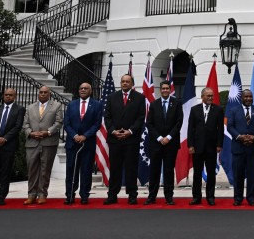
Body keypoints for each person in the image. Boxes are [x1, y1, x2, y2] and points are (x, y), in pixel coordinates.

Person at [103, 74, 146, 204]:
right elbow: (107, 117)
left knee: (131, 168)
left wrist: (130, 131)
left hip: (131, 139)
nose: (125, 83)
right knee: (115, 168)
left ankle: (132, 195)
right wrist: (113, 131)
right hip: (115, 139)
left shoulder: (139, 98)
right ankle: (112, 195)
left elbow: (140, 117)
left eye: (127, 82)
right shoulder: (112, 97)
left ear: (132, 84)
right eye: (123, 81)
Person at [23, 85, 63, 205]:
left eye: (45, 92)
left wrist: (48, 132)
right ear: (38, 93)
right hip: (32, 142)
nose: (43, 94)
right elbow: (25, 124)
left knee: (45, 170)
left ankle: (42, 194)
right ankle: (31, 195)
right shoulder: (30, 107)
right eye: (41, 92)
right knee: (32, 169)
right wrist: (31, 133)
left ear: (49, 93)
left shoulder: (56, 106)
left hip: (48, 142)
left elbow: (59, 122)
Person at [145, 80, 183, 205]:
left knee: (168, 171)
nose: (165, 90)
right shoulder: (154, 104)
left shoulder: (177, 103)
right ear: (160, 90)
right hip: (156, 143)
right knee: (154, 171)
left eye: (167, 88)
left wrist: (169, 137)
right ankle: (152, 196)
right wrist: (159, 138)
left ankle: (169, 197)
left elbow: (179, 122)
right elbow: (149, 123)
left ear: (170, 90)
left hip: (171, 144)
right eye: (163, 88)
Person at [65, 82, 102, 205]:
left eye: (86, 88)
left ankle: (84, 195)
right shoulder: (71, 105)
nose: (83, 90)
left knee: (86, 170)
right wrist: (75, 136)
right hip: (73, 143)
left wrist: (85, 136)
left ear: (90, 91)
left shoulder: (97, 105)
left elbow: (97, 124)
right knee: (71, 170)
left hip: (88, 143)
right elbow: (67, 124)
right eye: (81, 88)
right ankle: (70, 195)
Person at [227, 88, 254, 206]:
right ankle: (238, 198)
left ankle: (251, 198)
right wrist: (240, 137)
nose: (248, 99)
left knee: (252, 175)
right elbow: (230, 126)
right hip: (238, 148)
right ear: (241, 98)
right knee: (238, 175)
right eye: (246, 97)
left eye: (250, 97)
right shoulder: (233, 110)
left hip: (253, 148)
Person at [0, 87, 25, 205]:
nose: (8, 96)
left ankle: (2, 195)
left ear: (15, 96)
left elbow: (17, 127)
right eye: (6, 95)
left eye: (10, 95)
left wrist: (5, 138)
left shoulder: (19, 109)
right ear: (3, 96)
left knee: (5, 172)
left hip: (8, 145)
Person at [188, 87, 224, 205]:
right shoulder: (195, 110)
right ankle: (196, 197)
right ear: (202, 96)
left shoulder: (218, 109)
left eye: (212, 96)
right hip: (197, 147)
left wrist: (219, 144)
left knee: (211, 173)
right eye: (208, 96)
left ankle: (210, 197)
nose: (210, 98)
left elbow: (220, 129)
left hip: (212, 147)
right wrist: (190, 145)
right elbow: (190, 129)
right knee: (197, 173)